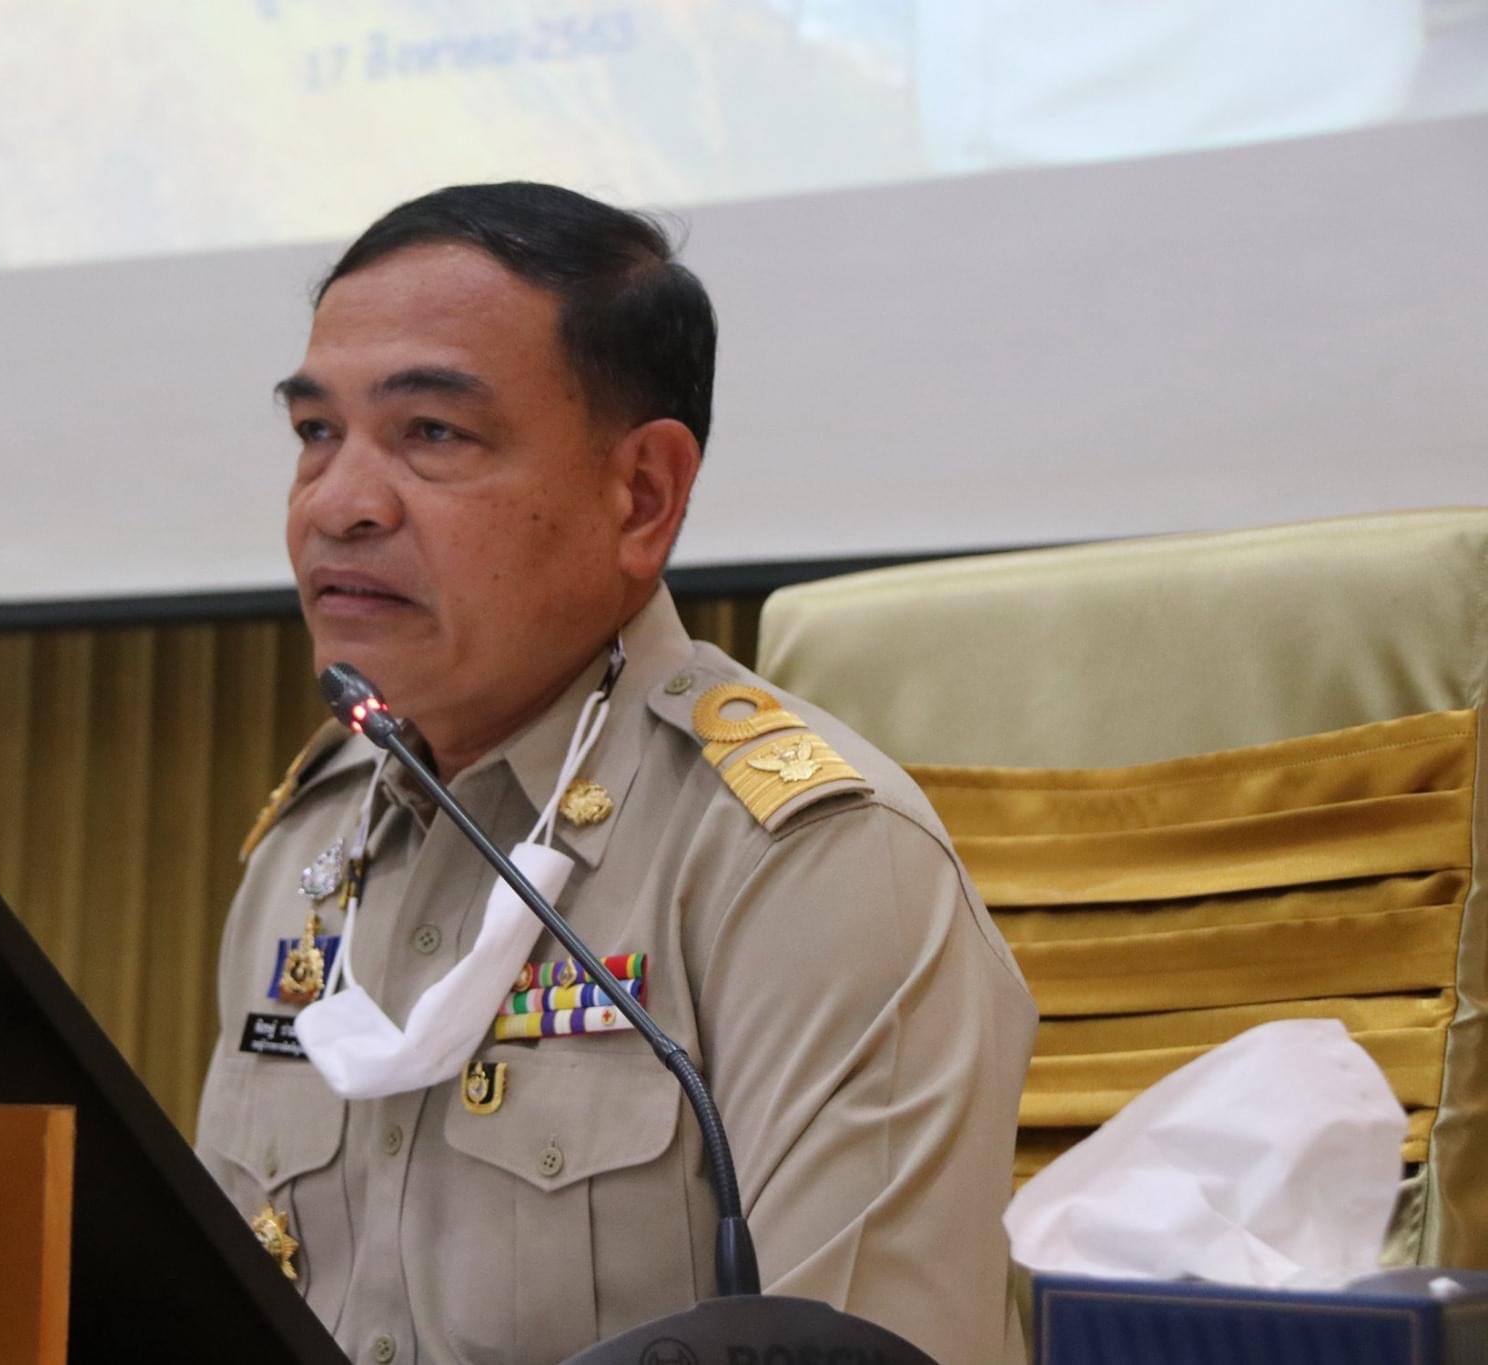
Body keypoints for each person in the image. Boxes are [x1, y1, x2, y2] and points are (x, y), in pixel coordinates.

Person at [194, 181, 1035, 1365]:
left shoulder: (809, 864)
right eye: (315, 434)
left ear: (640, 496)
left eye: (430, 433)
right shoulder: (310, 844)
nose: (336, 506)